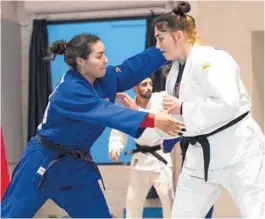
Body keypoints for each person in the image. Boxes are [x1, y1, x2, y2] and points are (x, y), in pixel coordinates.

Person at [1, 33, 185, 218]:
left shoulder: (105, 78)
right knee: (11, 215)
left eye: (104, 54)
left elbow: (132, 68)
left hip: (77, 166)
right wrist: (153, 119)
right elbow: (107, 112)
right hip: (43, 162)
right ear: (81, 61)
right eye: (99, 56)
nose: (105, 60)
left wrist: (165, 51)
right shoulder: (69, 89)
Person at [153, 1, 265, 218]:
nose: (158, 46)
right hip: (200, 156)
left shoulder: (212, 59)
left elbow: (227, 103)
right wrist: (152, 123)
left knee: (256, 213)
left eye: (160, 38)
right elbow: (174, 118)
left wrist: (183, 107)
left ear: (178, 36)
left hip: (239, 152)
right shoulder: (175, 71)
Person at [109, 77, 176, 218]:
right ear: (135, 88)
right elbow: (119, 130)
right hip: (140, 158)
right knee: (133, 201)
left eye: (151, 84)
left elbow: (155, 120)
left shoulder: (160, 100)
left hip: (160, 157)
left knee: (169, 199)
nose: (149, 87)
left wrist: (137, 110)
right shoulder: (128, 107)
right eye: (144, 84)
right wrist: (115, 147)